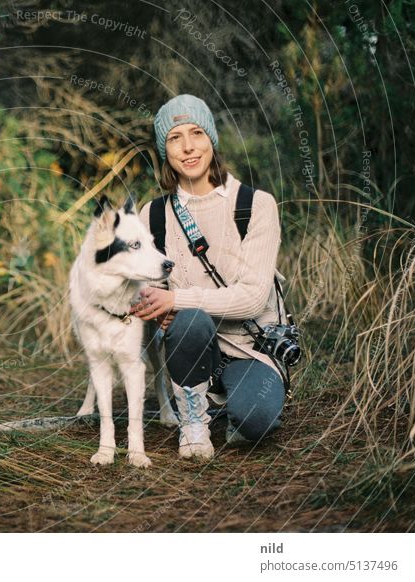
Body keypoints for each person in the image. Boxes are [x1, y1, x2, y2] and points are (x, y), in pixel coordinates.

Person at [130, 94, 286, 461]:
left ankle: (231, 402)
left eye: (196, 133)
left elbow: (253, 298)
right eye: (174, 138)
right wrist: (153, 302)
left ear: (211, 139)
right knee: (191, 322)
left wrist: (175, 300)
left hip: (250, 347)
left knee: (256, 420)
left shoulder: (255, 205)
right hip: (191, 343)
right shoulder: (152, 214)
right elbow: (149, 292)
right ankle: (193, 421)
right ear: (164, 150)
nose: (187, 147)